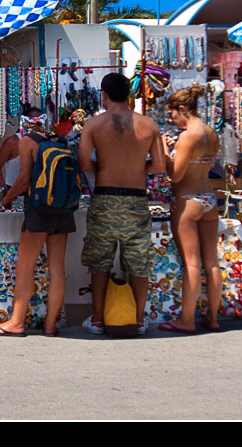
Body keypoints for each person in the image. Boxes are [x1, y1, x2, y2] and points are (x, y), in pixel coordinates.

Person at [78, 73, 168, 336]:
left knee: (100, 261)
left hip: (105, 196)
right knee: (139, 262)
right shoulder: (149, 125)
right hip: (136, 198)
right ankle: (139, 320)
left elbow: (85, 164)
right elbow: (160, 165)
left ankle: (97, 319)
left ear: (104, 94)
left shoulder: (93, 125)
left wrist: (107, 165)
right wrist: (137, 168)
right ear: (129, 94)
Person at [0, 113, 74, 337]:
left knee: (25, 266)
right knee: (57, 269)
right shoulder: (60, 141)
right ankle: (51, 325)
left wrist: (7, 198)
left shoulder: (27, 142)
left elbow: (24, 179)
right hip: (63, 208)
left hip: (40, 209)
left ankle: (16, 322)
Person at [162, 84, 223, 333]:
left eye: (172, 114)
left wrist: (165, 150)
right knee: (212, 262)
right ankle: (213, 318)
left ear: (183, 109)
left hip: (187, 200)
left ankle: (186, 320)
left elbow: (175, 176)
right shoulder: (211, 133)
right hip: (209, 197)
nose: (170, 119)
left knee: (191, 263)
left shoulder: (188, 137)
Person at [0, 106, 44, 198]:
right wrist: (4, 189)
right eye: (33, 121)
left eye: (39, 122)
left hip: (39, 193)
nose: (36, 125)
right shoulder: (13, 142)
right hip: (16, 192)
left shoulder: (45, 140)